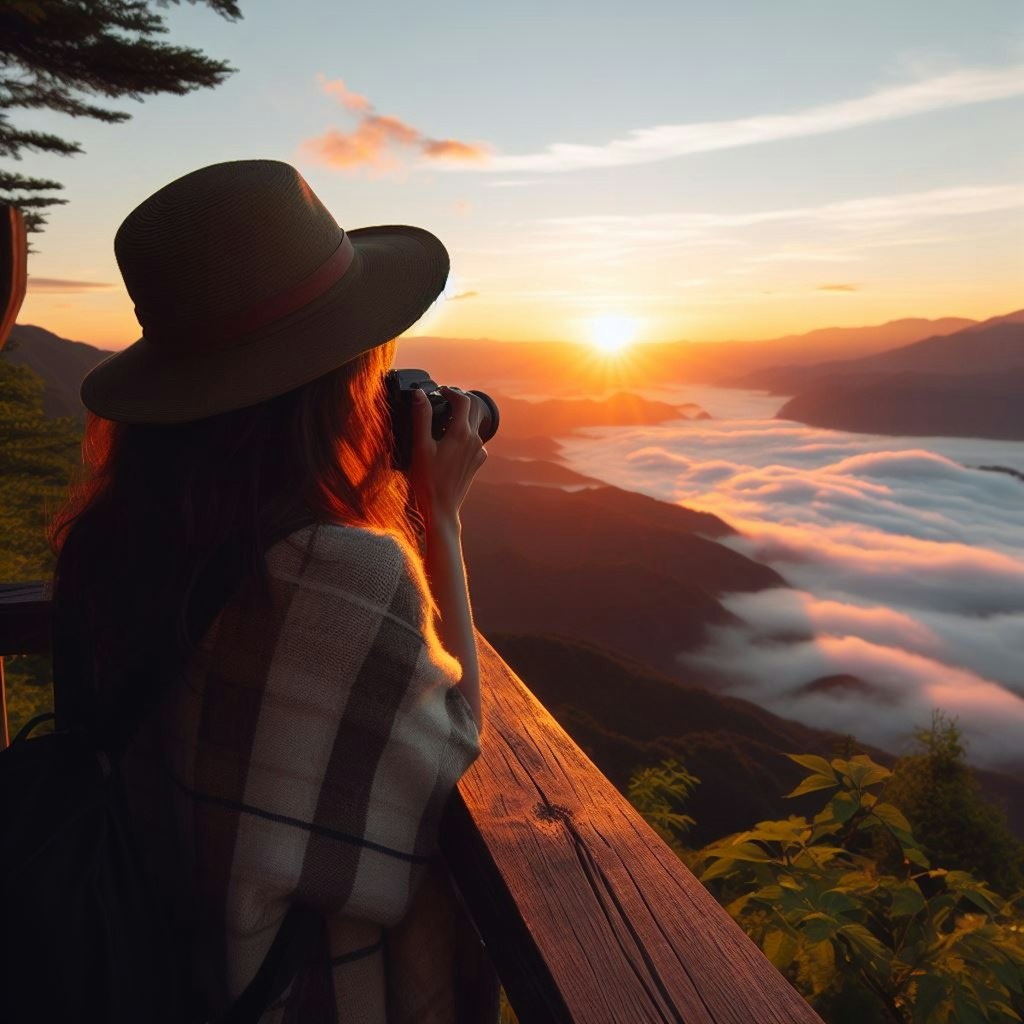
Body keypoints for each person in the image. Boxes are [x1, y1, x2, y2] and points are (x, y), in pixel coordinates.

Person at [48, 159, 497, 1022]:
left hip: (145, 960)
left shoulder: (112, 540)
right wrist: (439, 520)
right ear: (333, 381)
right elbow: (449, 757)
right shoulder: (334, 574)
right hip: (298, 998)